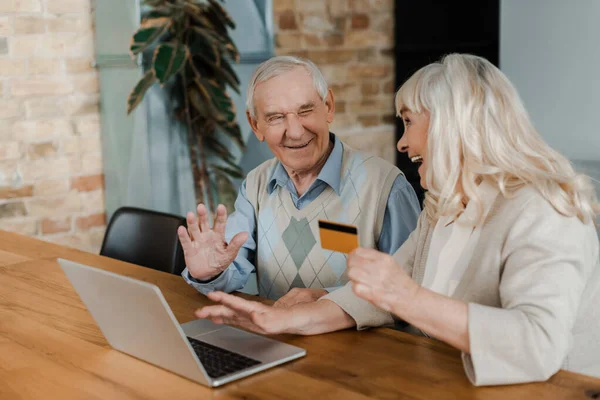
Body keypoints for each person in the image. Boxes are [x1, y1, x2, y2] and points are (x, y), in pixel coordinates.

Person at [340, 54, 600, 385]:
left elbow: (538, 344)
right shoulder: (440, 207)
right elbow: (386, 293)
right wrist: (290, 318)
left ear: (451, 123)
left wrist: (404, 296)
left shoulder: (545, 210)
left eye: (408, 122)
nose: (401, 143)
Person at [178, 55, 421, 318]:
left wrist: (329, 299)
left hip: (364, 353)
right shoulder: (255, 185)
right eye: (275, 117)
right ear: (255, 125)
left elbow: (413, 293)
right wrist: (210, 273)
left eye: (305, 111)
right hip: (278, 343)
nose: (294, 131)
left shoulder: (386, 187)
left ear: (328, 106)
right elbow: (230, 267)